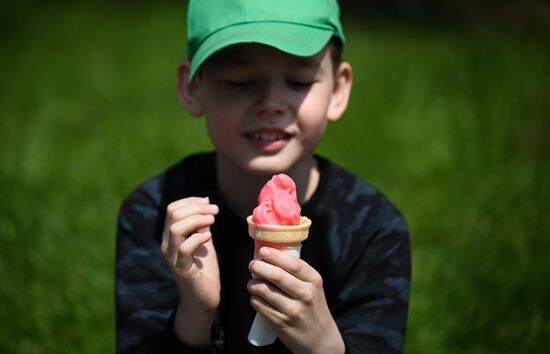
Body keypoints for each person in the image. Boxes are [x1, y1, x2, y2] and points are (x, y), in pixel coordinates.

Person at [116, 0, 411, 353]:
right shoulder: (157, 218)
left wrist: (324, 346)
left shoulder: (373, 230)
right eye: (241, 81)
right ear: (193, 88)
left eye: (299, 81)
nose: (272, 102)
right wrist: (195, 315)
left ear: (337, 90)